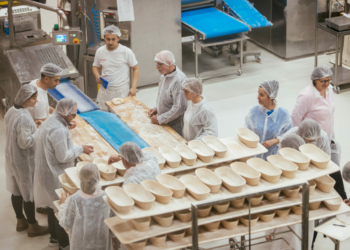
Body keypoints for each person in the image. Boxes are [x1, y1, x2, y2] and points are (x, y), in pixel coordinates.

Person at [33, 98, 94, 249]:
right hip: (55, 173)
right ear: (65, 112)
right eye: (73, 114)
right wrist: (81, 149)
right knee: (61, 208)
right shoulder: (58, 129)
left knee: (52, 206)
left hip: (46, 170)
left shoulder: (51, 120)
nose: (74, 117)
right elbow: (63, 157)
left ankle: (54, 238)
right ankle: (64, 244)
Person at [290, 65, 346, 198]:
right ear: (315, 80)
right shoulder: (307, 96)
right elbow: (295, 119)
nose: (327, 84)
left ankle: (342, 198)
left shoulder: (330, 90)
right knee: (315, 171)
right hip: (312, 142)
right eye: (323, 81)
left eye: (329, 80)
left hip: (328, 137)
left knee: (333, 167)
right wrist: (301, 142)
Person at [5, 84, 49, 236]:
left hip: (12, 157)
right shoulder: (24, 117)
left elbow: (18, 132)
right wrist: (38, 130)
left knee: (17, 190)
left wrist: (33, 127)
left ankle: (20, 221)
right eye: (34, 98)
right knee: (28, 194)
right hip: (24, 161)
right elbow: (24, 142)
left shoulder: (12, 110)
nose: (36, 101)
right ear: (25, 99)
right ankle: (33, 226)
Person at [58, 163, 113, 250]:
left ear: (80, 179)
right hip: (102, 244)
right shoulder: (107, 197)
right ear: (98, 178)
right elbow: (113, 224)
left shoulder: (75, 200)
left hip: (80, 245)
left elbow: (65, 223)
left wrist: (63, 205)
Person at [93, 25, 139, 111]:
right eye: (108, 39)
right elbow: (95, 66)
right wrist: (97, 75)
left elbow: (135, 69)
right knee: (104, 114)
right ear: (104, 38)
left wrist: (133, 87)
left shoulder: (126, 51)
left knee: (120, 114)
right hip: (105, 90)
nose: (110, 42)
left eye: (113, 39)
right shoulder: (100, 51)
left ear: (118, 38)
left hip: (121, 90)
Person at [244, 80, 293, 160]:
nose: (258, 97)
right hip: (255, 157)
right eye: (258, 93)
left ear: (271, 97)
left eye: (261, 95)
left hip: (274, 159)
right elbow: (246, 131)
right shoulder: (254, 111)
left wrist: (276, 140)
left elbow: (290, 135)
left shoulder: (283, 114)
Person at [148, 50, 187, 135]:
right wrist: (157, 108)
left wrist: (160, 119)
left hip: (174, 125)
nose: (156, 67)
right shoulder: (164, 75)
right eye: (156, 63)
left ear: (169, 63)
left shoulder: (179, 80)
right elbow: (164, 96)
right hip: (164, 120)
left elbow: (179, 108)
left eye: (159, 64)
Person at [181, 78, 218, 142]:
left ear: (196, 92)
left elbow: (212, 133)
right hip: (189, 144)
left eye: (187, 92)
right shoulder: (191, 103)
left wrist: (196, 142)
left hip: (199, 147)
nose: (184, 94)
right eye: (184, 90)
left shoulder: (205, 110)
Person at [28, 63, 63, 128]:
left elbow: (45, 107)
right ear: (46, 79)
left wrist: (59, 114)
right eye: (56, 80)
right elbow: (43, 127)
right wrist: (66, 125)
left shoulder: (34, 83)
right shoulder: (39, 100)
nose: (58, 83)